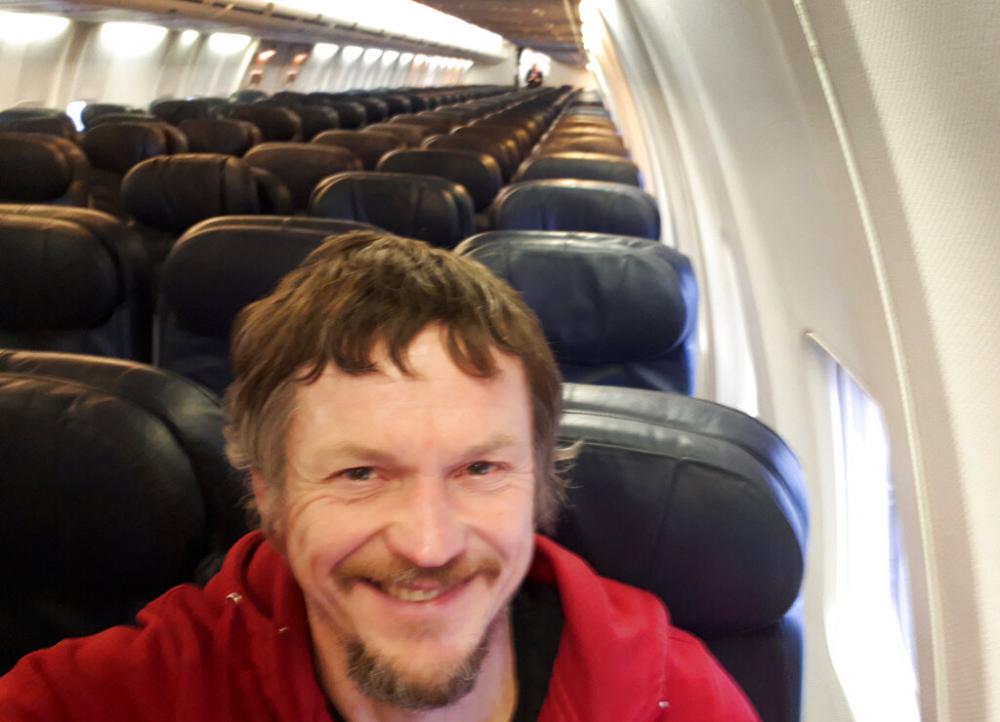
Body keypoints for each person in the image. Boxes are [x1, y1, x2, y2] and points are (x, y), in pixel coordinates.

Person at [0, 231, 759, 721]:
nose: (429, 545)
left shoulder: (675, 698)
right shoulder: (138, 693)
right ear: (268, 492)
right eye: (361, 473)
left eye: (481, 468)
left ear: (539, 483)